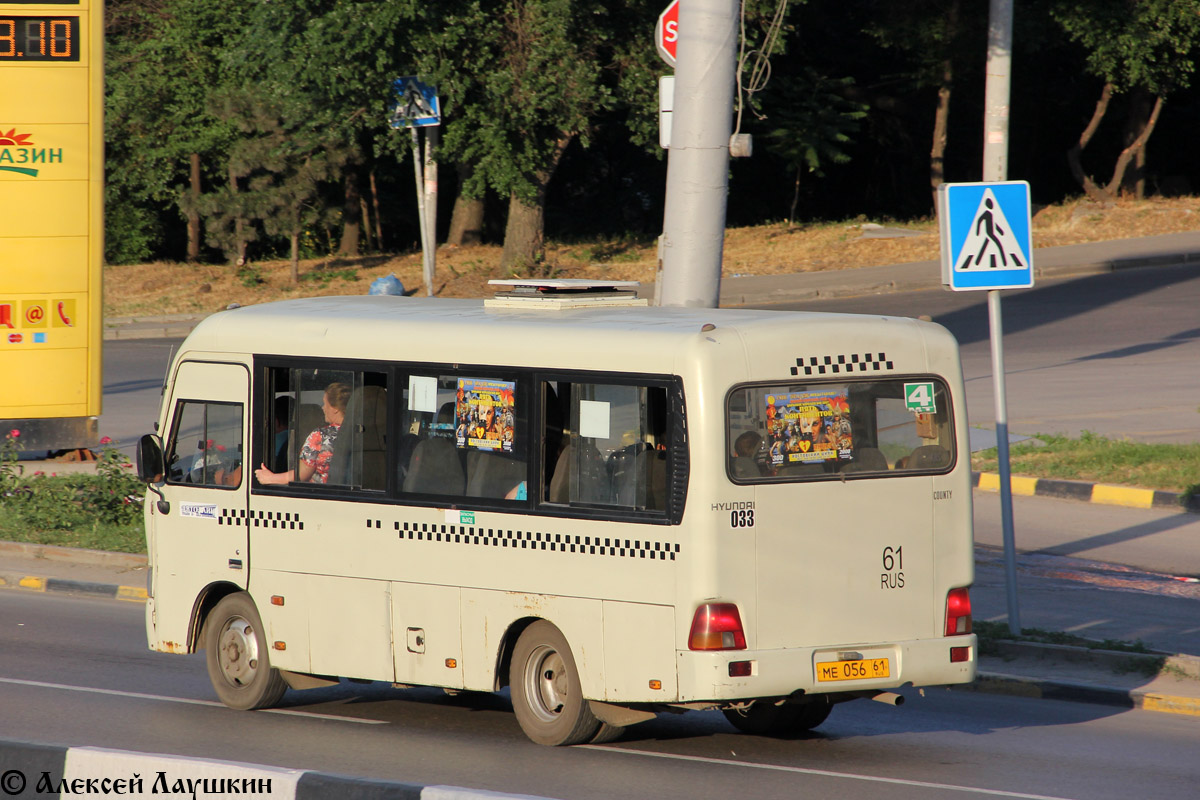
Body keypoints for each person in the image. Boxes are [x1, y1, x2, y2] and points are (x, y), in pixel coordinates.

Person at [255, 382, 350, 485]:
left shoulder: (320, 436)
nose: (322, 408)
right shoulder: (361, 433)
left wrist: (270, 478)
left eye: (325, 404)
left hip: (321, 495)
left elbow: (301, 475)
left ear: (335, 409)